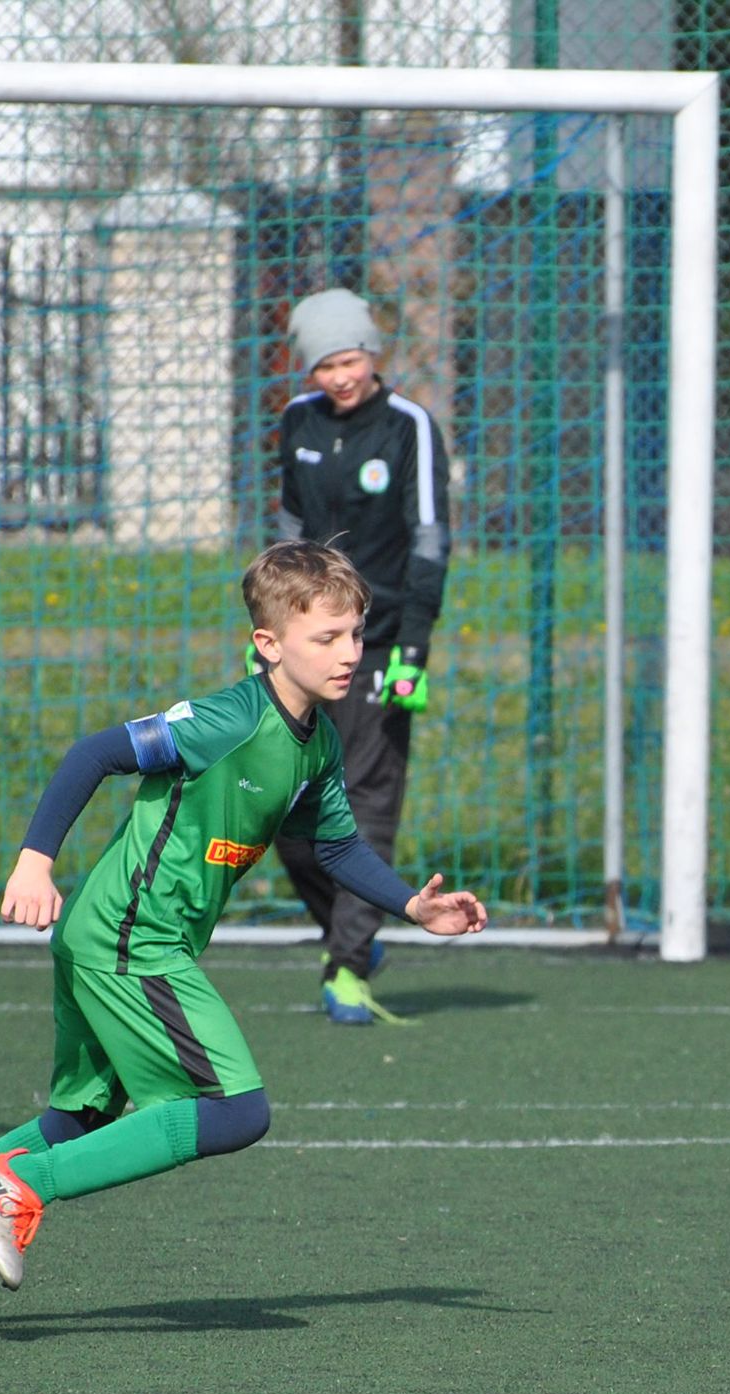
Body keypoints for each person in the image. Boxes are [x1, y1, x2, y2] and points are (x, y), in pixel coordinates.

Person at [0, 541, 488, 1328]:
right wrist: (33, 862)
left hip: (113, 939)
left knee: (72, 1122)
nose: (350, 653)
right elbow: (96, 753)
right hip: (130, 938)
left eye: (356, 634)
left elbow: (338, 845)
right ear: (269, 643)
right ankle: (26, 1187)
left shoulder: (318, 741)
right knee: (233, 1109)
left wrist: (412, 908)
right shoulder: (226, 719)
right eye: (328, 637)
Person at [269, 287, 452, 1025]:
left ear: (372, 354)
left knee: (368, 800)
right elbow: (285, 529)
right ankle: (348, 932)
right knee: (284, 805)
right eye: (326, 365)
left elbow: (431, 542)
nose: (341, 376)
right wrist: (278, 638)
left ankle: (346, 966)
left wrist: (413, 650)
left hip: (381, 647)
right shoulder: (296, 423)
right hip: (303, 648)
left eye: (350, 359)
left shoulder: (409, 427)